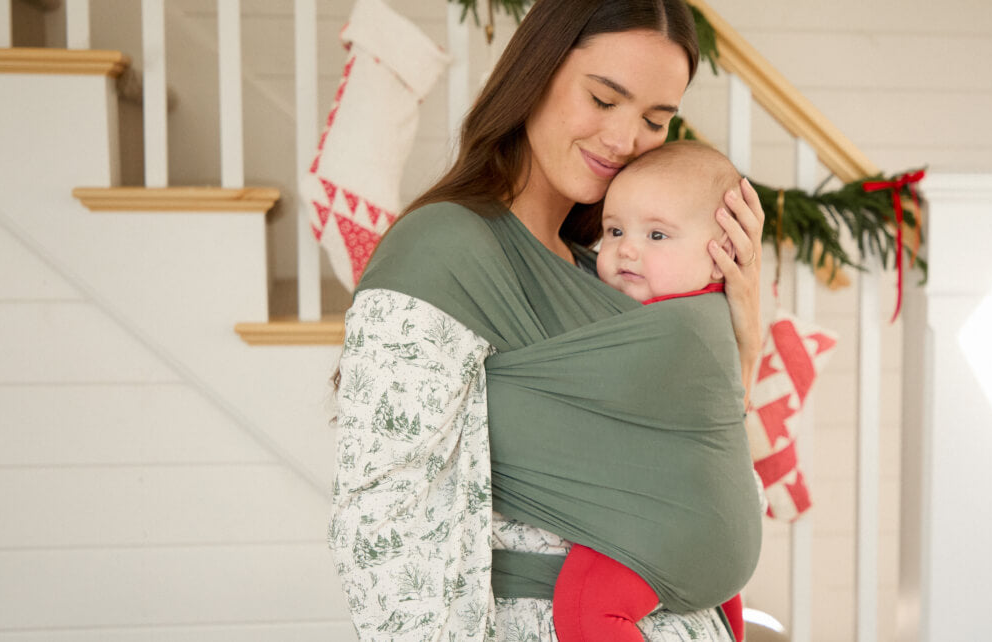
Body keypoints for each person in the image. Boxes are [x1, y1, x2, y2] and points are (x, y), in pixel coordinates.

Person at [328, 0, 766, 640]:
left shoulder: (614, 275)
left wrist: (743, 345)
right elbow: (383, 529)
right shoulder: (444, 250)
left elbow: (701, 495)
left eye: (653, 119)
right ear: (536, 73)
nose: (624, 140)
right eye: (603, 98)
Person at [552, 140, 752, 642]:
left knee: (584, 607)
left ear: (719, 257)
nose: (626, 249)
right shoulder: (711, 315)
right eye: (614, 230)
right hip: (724, 536)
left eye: (657, 234)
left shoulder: (678, 330)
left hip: (669, 528)